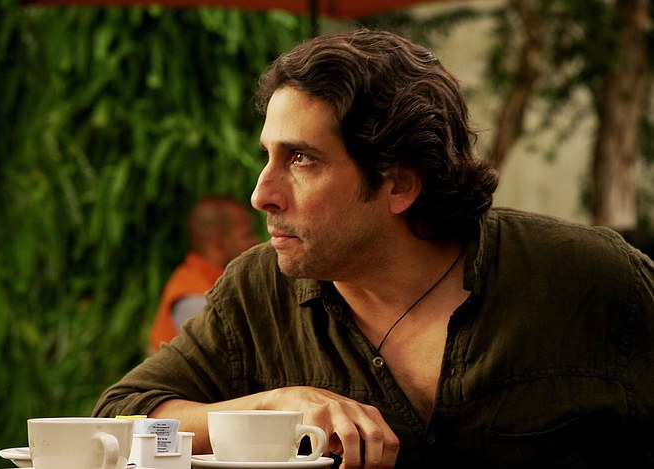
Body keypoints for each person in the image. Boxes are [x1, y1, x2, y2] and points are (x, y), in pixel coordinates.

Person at [94, 29, 654, 468]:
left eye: (300, 159)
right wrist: (271, 407)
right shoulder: (256, 291)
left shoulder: (593, 279)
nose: (261, 194)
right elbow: (121, 421)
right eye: (267, 156)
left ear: (399, 185)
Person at [149, 195, 259, 352]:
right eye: (247, 235)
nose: (256, 242)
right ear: (220, 243)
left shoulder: (219, 281)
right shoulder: (192, 299)